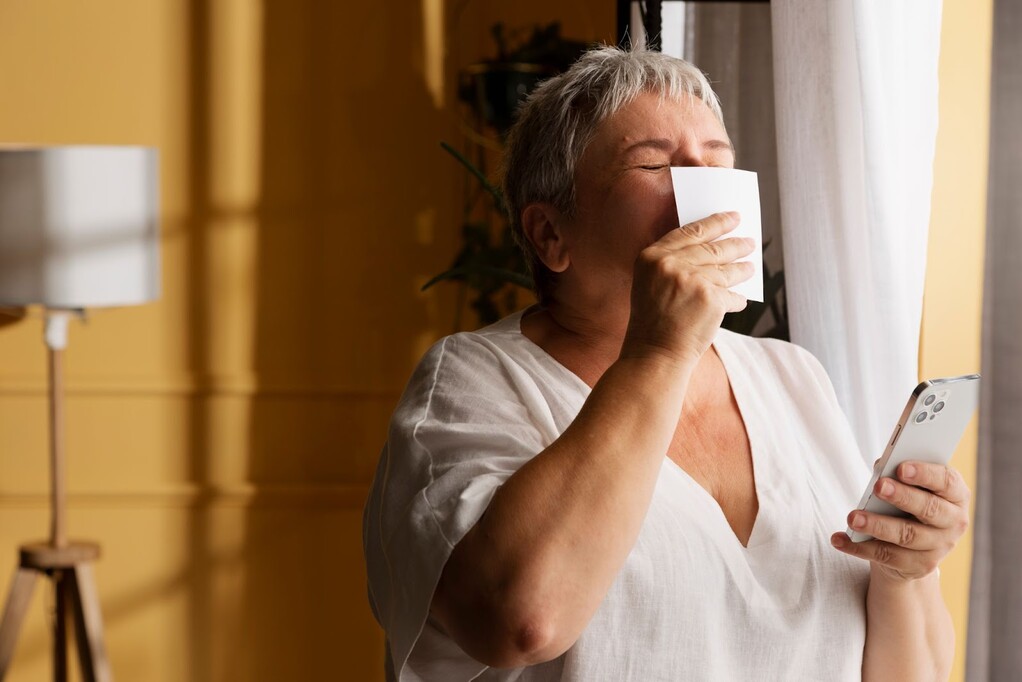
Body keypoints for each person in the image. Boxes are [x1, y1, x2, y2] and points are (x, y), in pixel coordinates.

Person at [363, 46, 970, 681]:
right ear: (551, 236)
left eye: (718, 159)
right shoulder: (471, 382)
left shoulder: (791, 376)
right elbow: (522, 619)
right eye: (653, 162)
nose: (702, 188)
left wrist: (906, 569)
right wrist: (659, 351)